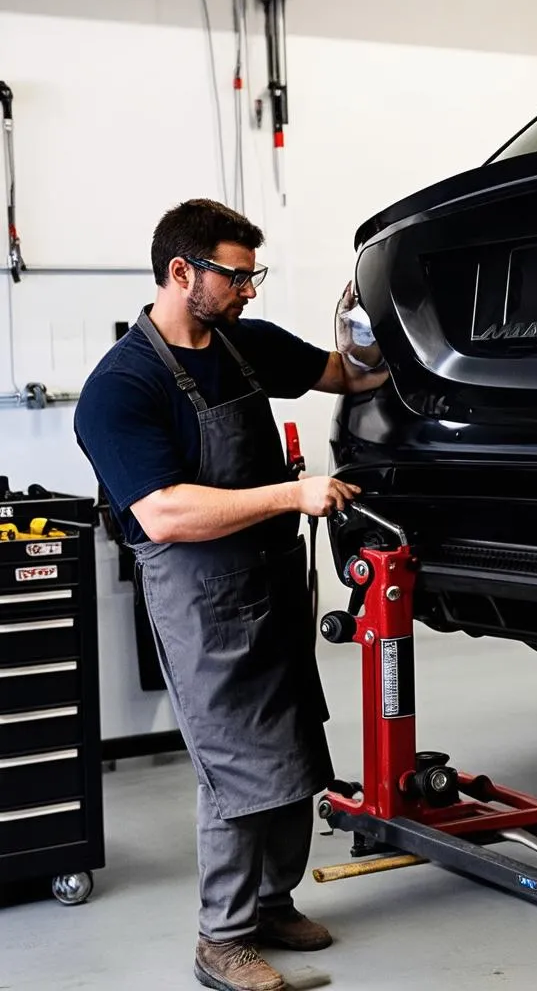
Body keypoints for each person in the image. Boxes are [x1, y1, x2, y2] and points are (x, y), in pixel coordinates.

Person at [74, 198, 389, 991]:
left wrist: (367, 323)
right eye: (237, 276)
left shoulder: (244, 346)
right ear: (182, 272)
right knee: (236, 762)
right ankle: (222, 938)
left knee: (292, 739)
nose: (250, 291)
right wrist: (292, 496)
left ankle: (271, 903)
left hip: (271, 581)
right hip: (200, 596)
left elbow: (346, 374)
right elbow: (164, 511)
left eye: (255, 275)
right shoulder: (122, 387)